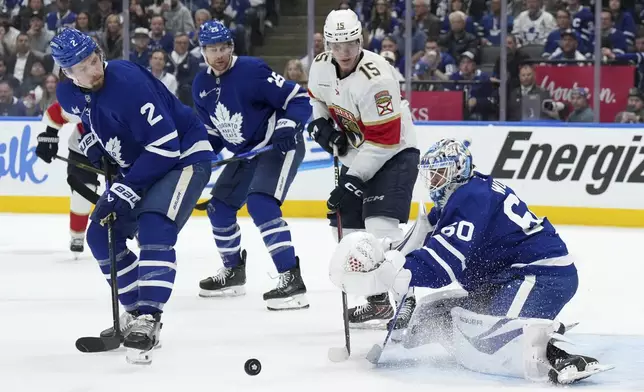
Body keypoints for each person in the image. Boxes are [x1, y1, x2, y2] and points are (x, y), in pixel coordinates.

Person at [329, 139, 612, 384]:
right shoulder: (466, 194)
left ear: (457, 171)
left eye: (439, 175)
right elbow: (425, 240)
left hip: (541, 277)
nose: (433, 183)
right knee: (432, 314)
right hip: (510, 278)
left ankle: (560, 356)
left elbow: (442, 266)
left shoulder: (470, 197)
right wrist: (389, 254)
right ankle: (529, 331)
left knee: (492, 339)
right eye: (431, 176)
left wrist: (393, 271)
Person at [40, 28, 215, 364]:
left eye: (93, 60)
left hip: (183, 158)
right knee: (100, 235)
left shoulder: (128, 85)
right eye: (81, 67)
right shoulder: (68, 92)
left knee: (154, 227)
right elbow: (87, 119)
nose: (93, 70)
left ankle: (149, 318)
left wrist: (124, 187)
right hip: (141, 165)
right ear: (66, 73)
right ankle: (135, 313)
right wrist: (91, 150)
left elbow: (165, 147)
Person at [307, 9, 419, 328]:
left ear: (362, 40)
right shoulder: (320, 65)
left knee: (380, 227)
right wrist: (321, 124)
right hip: (359, 155)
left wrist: (352, 180)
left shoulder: (378, 78)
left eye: (351, 44)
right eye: (337, 44)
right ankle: (378, 300)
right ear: (327, 43)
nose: (344, 52)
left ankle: (407, 295)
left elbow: (384, 141)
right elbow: (317, 99)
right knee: (345, 229)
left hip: (395, 153)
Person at [193, 21, 313, 311]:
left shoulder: (252, 70)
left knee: (260, 204)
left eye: (224, 48)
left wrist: (286, 126)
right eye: (212, 49)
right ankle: (233, 271)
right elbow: (212, 133)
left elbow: (298, 98)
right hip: (246, 153)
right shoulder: (201, 85)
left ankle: (291, 279)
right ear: (203, 52)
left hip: (277, 145)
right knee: (219, 207)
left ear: (232, 47)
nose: (219, 54)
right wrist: (197, 156)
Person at [35, 100, 99, 257]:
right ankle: (77, 235)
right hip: (82, 150)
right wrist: (50, 135)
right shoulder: (88, 101)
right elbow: (56, 112)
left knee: (132, 192)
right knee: (83, 194)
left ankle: (139, 227)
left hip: (122, 152)